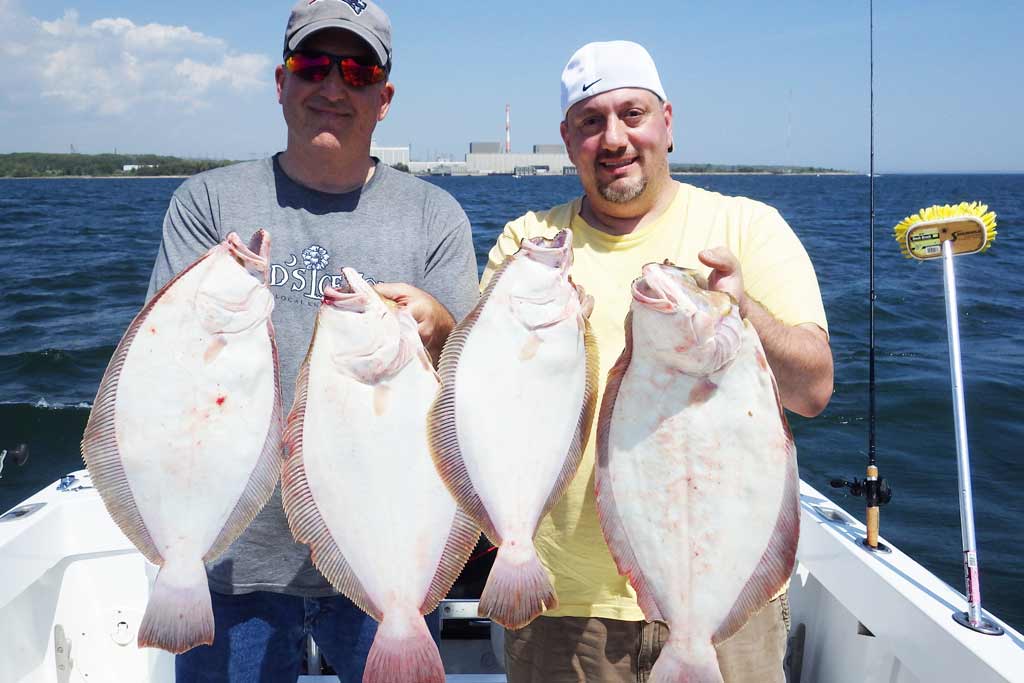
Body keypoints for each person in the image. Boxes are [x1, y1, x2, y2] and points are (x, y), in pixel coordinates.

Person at [146, 1, 479, 680]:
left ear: (383, 98)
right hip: (235, 565)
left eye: (357, 71)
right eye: (312, 65)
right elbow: (163, 373)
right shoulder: (206, 204)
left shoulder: (434, 217)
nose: (333, 86)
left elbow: (472, 392)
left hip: (386, 559)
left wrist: (441, 328)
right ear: (280, 81)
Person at [482, 40, 834, 682]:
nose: (613, 137)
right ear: (568, 140)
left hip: (729, 607)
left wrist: (741, 313)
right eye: (591, 122)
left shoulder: (749, 227)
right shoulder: (531, 246)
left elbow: (812, 389)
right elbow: (485, 405)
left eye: (632, 113)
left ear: (667, 123)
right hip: (570, 608)